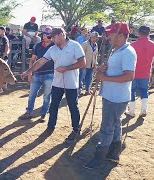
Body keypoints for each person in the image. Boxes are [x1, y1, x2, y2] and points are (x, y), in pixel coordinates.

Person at [83, 23, 137, 169]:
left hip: (116, 97)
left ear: (120, 35)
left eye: (111, 34)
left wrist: (104, 78)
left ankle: (99, 157)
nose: (108, 37)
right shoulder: (116, 50)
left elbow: (129, 76)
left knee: (107, 126)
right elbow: (116, 70)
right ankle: (114, 152)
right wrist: (103, 69)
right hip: (112, 95)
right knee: (115, 122)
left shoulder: (127, 52)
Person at [21, 27, 86, 140]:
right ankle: (50, 127)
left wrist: (67, 68)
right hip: (57, 83)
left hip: (71, 84)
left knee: (73, 106)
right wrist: (29, 71)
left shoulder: (75, 46)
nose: (52, 40)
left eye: (53, 37)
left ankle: (76, 129)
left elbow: (82, 63)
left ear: (61, 35)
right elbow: (41, 61)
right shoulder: (53, 49)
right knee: (53, 106)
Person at [19, 28, 55, 121]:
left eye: (46, 34)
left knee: (47, 95)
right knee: (32, 94)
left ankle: (44, 113)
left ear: (51, 35)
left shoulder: (54, 46)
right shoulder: (38, 45)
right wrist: (30, 73)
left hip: (50, 74)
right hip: (37, 74)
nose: (44, 36)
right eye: (43, 34)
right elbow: (32, 60)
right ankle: (29, 112)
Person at [125, 26, 154, 117]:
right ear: (148, 33)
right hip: (146, 72)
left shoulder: (133, 45)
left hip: (133, 72)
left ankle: (132, 111)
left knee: (132, 90)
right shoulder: (152, 45)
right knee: (144, 91)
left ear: (139, 33)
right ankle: (144, 110)